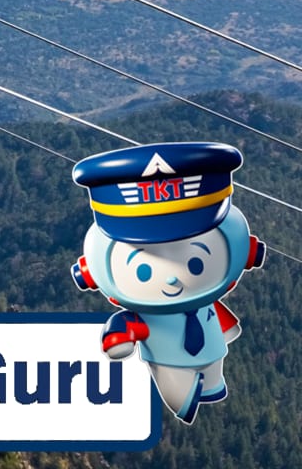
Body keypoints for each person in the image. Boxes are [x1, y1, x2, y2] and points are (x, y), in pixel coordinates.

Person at [70, 142, 265, 423]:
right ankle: (185, 398)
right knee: (178, 390)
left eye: (194, 263)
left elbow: (215, 318)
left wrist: (227, 329)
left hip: (210, 354)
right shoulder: (150, 314)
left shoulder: (202, 303)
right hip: (169, 364)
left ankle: (210, 386)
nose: (173, 277)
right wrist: (120, 338)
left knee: (210, 379)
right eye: (145, 270)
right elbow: (124, 329)